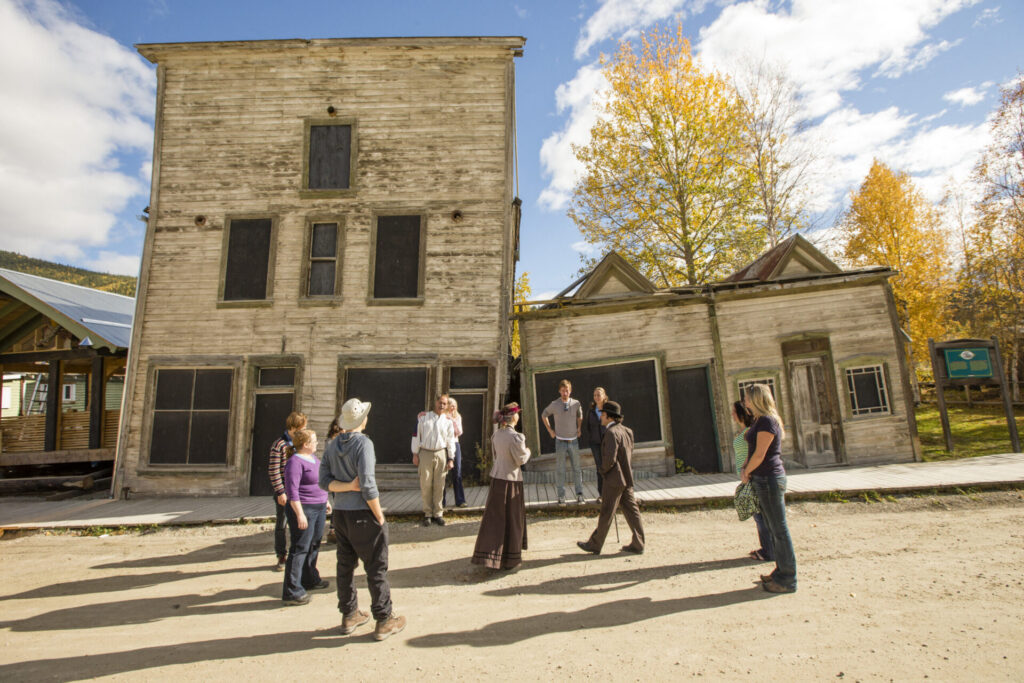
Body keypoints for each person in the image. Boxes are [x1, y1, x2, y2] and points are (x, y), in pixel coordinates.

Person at [320, 398, 407, 641]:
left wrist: (346, 486)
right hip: (363, 513)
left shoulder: (332, 445)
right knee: (376, 567)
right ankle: (384, 618)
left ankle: (349, 614)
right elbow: (368, 484)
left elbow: (323, 481)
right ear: (363, 420)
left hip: (341, 514)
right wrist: (379, 514)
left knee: (345, 566)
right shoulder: (364, 444)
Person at [740, 384, 797, 594]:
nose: (744, 402)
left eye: (746, 398)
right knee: (773, 528)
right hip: (761, 478)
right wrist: (746, 468)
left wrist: (747, 471)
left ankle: (788, 578)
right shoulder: (758, 421)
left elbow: (760, 454)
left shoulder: (767, 421)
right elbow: (752, 449)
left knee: (779, 529)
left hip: (770, 479)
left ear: (756, 399)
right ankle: (780, 571)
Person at [577, 400, 645, 555]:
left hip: (614, 478)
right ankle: (639, 543)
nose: (600, 416)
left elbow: (610, 459)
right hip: (627, 477)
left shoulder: (610, 433)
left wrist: (602, 470)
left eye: (603, 414)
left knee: (607, 511)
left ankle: (595, 544)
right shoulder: (627, 431)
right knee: (632, 511)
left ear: (609, 416)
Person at [472, 403, 531, 570]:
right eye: (517, 414)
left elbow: (496, 455)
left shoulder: (496, 435)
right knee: (512, 518)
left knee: (495, 519)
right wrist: (528, 451)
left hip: (497, 478)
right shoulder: (517, 437)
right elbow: (520, 459)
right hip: (511, 480)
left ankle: (492, 556)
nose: (518, 416)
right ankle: (510, 558)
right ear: (514, 417)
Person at [281, 428, 330, 605]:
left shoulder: (313, 459)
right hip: (304, 508)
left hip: (319, 506)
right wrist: (299, 513)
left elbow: (319, 482)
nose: (317, 443)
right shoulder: (294, 462)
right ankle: (292, 590)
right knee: (300, 547)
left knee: (314, 543)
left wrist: (326, 500)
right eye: (314, 440)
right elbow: (292, 491)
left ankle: (309, 578)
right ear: (306, 444)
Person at [731, 400, 773, 563]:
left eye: (734, 412)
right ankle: (766, 548)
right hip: (747, 476)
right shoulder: (744, 431)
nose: (732, 415)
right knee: (758, 514)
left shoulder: (751, 430)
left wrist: (746, 470)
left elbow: (754, 452)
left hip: (752, 475)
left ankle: (769, 551)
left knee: (761, 515)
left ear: (742, 413)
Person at [268, 411, 307, 571]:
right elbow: (274, 470)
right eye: (299, 428)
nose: (302, 431)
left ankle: (297, 555)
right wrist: (280, 491)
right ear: (292, 427)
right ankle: (281, 555)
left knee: (300, 523)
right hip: (285, 490)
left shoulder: (300, 444)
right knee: (282, 524)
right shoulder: (279, 445)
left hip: (300, 490)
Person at [411, 394, 456, 526]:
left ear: (447, 405)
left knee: (439, 485)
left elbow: (450, 441)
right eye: (440, 402)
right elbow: (416, 436)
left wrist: (451, 458)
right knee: (425, 484)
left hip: (441, 453)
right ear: (435, 402)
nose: (442, 405)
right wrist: (415, 454)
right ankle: (427, 513)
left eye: (444, 403)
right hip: (425, 453)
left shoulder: (448, 421)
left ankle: (438, 513)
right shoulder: (423, 418)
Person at [541, 379, 584, 505]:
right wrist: (550, 430)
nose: (565, 393)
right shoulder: (554, 404)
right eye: (563, 391)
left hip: (573, 441)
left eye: (567, 391)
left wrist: (579, 427)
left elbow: (580, 415)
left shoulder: (576, 403)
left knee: (577, 468)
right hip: (560, 441)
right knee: (560, 469)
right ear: (559, 391)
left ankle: (579, 495)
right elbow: (544, 415)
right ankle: (561, 497)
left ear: (570, 391)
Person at [583, 387, 608, 500]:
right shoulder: (591, 411)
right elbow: (588, 426)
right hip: (595, 443)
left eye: (598, 395)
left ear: (604, 396)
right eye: (595, 395)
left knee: (609, 465)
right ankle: (602, 494)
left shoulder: (608, 408)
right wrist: (593, 437)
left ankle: (611, 492)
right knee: (599, 467)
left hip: (607, 442)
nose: (596, 397)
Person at [443, 397, 468, 508]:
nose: (452, 407)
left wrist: (452, 420)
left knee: (457, 473)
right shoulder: (442, 417)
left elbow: (459, 432)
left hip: (455, 445)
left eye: (454, 405)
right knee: (442, 474)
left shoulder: (457, 417)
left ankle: (460, 500)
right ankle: (441, 502)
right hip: (444, 446)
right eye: (450, 404)